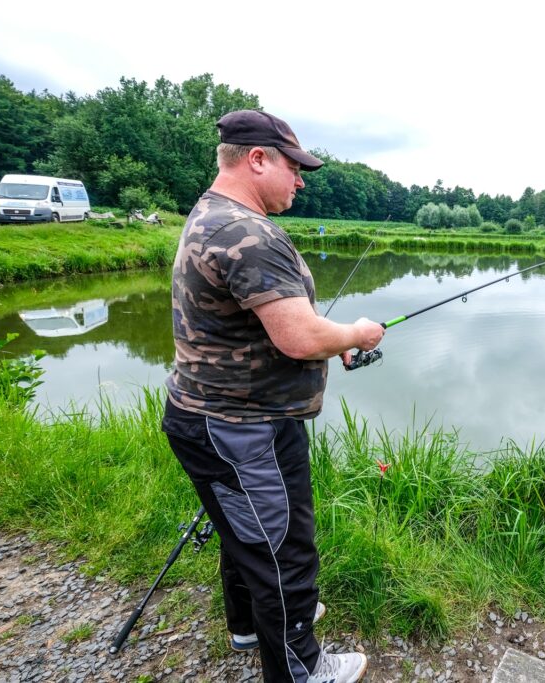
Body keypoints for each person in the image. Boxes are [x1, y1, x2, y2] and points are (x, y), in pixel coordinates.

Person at [161, 109, 384, 683]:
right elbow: (299, 335)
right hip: (244, 429)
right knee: (282, 551)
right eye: (294, 167)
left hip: (209, 416)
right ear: (257, 159)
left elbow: (281, 328)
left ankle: (245, 626)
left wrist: (322, 343)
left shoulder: (212, 215)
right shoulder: (245, 232)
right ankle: (303, 669)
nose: (301, 180)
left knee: (245, 534)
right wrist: (354, 334)